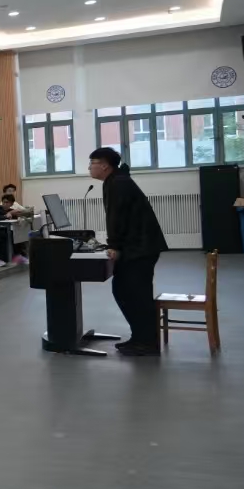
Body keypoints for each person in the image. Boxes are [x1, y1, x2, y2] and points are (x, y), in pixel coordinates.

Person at [89, 147, 168, 356]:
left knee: (134, 293)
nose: (89, 168)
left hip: (140, 248)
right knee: (127, 291)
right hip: (138, 246)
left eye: (92, 163)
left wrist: (114, 245)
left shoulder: (118, 183)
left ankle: (147, 342)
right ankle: (140, 338)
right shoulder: (116, 181)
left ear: (104, 165)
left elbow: (118, 217)